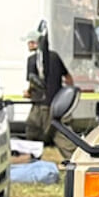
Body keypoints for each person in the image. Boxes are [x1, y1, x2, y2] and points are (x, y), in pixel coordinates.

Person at [24, 27, 74, 162]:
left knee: (33, 131)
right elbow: (68, 77)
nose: (28, 45)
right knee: (58, 130)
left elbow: (33, 82)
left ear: (34, 43)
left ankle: (32, 161)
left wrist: (28, 93)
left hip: (41, 104)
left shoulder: (32, 60)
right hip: (56, 102)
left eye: (29, 42)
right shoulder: (55, 56)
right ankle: (74, 157)